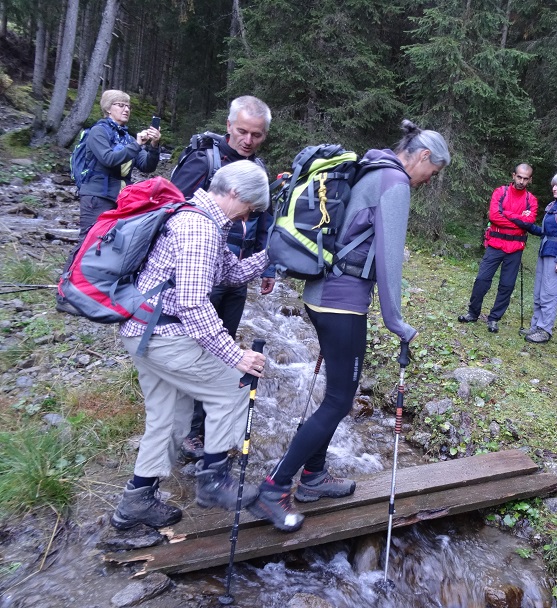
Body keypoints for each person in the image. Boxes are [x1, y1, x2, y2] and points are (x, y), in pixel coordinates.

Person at [249, 120, 451, 532]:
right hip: (342, 304)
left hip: (322, 296)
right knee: (340, 400)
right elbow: (390, 262)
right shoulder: (394, 184)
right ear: (424, 156)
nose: (431, 180)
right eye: (435, 171)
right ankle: (273, 489)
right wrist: (397, 323)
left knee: (336, 396)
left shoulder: (371, 169)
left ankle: (313, 477)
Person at [111, 161, 272, 530]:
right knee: (232, 386)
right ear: (234, 193)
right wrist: (236, 356)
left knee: (169, 419)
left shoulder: (200, 218)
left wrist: (272, 254)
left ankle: (135, 501)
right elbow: (193, 303)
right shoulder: (199, 227)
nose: (250, 216)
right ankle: (213, 482)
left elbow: (230, 274)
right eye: (251, 207)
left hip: (142, 331)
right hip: (163, 334)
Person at [170, 95, 276, 462]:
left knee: (220, 348)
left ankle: (199, 433)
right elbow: (172, 210)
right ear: (229, 125)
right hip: (197, 273)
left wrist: (268, 266)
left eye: (257, 135)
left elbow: (264, 221)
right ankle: (179, 426)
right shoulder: (205, 160)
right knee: (193, 349)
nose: (248, 140)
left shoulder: (258, 172)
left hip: (236, 273)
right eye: (243, 131)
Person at [457, 164, 538, 333]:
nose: (521, 181)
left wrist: (506, 214)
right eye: (519, 177)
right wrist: (518, 220)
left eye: (525, 178)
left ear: (529, 180)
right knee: (482, 280)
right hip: (495, 245)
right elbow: (494, 216)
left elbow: (529, 223)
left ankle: (494, 319)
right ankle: (473, 313)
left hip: (515, 248)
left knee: (507, 285)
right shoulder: (500, 192)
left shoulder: (531, 200)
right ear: (513, 175)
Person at [77, 89, 161, 239]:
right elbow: (108, 159)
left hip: (120, 198)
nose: (126, 109)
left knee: (109, 244)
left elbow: (147, 166)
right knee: (88, 241)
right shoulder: (98, 132)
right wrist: (137, 144)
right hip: (96, 197)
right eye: (121, 105)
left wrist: (154, 145)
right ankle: (73, 264)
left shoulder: (127, 138)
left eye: (128, 106)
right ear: (108, 109)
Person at [514, 172, 557, 344]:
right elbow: (544, 232)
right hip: (545, 251)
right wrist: (523, 224)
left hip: (556, 255)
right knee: (539, 292)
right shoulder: (554, 205)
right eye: (554, 185)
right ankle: (535, 326)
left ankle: (544, 330)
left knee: (549, 293)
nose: (554, 188)